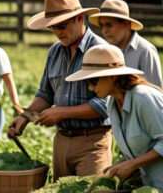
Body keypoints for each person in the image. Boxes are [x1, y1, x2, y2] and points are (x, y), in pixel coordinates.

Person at [8, 0, 111, 180]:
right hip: (61, 141)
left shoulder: (100, 51)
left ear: (79, 18)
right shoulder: (54, 52)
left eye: (62, 26)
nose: (58, 32)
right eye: (53, 28)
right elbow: (45, 94)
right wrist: (25, 116)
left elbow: (105, 105)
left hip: (92, 142)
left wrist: (61, 112)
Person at [66, 44, 163, 190]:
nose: (90, 88)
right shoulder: (112, 103)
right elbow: (136, 149)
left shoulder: (143, 98)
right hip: (148, 185)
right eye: (87, 82)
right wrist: (119, 166)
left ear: (112, 76)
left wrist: (132, 164)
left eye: (93, 81)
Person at [89, 0, 162, 87]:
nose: (104, 31)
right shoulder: (108, 51)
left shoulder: (145, 51)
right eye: (102, 26)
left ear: (126, 24)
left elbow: (156, 91)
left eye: (109, 25)